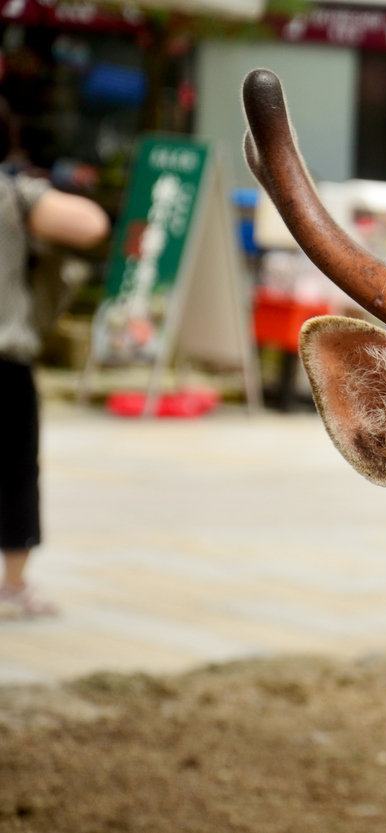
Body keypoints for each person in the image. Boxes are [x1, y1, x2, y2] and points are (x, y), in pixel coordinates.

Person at [0, 97, 110, 618]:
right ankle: (14, 585)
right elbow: (89, 225)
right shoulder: (15, 192)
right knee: (15, 471)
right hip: (5, 358)